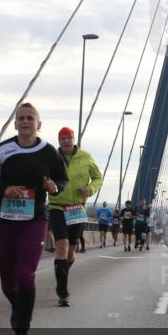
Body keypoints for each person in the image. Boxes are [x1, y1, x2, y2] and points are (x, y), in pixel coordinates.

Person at [0, 102, 67, 335]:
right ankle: (21, 308)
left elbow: (62, 179)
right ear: (15, 124)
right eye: (21, 118)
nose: (25, 122)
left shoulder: (48, 152)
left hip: (34, 219)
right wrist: (4, 189)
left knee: (26, 274)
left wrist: (54, 188)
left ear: (39, 124)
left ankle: (20, 333)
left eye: (30, 118)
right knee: (7, 282)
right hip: (2, 219)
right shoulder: (2, 150)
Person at [48, 127, 103, 307]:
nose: (66, 141)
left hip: (78, 209)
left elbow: (98, 178)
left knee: (71, 252)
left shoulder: (86, 157)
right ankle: (62, 291)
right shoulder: (52, 157)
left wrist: (91, 189)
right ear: (59, 140)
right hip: (57, 207)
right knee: (61, 247)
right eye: (62, 138)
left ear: (73, 139)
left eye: (68, 138)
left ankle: (63, 270)